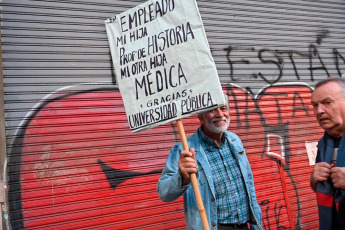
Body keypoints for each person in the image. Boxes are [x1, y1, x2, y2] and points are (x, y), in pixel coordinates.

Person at [157, 95, 262, 230]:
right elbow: (164, 193)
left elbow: (249, 185)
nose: (219, 114)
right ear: (200, 117)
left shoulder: (235, 140)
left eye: (223, 108)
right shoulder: (184, 150)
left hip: (244, 225)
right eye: (212, 109)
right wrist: (182, 177)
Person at [310, 77, 345, 230]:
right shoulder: (323, 145)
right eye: (315, 105)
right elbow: (318, 187)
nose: (319, 111)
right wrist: (314, 179)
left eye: (327, 103)